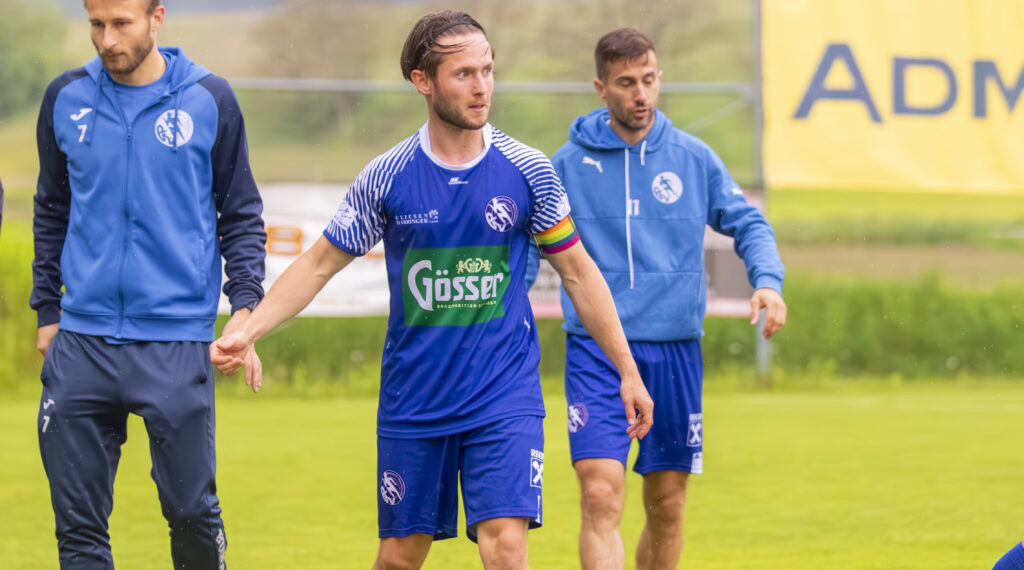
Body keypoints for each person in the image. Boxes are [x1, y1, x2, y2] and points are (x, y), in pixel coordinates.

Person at [211, 11, 653, 569]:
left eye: (488, 70)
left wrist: (627, 370)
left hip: (503, 392)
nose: (482, 86)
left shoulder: (528, 170)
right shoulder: (388, 175)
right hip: (415, 397)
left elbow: (580, 274)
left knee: (507, 547)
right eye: (464, 73)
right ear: (424, 80)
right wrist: (247, 328)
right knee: (400, 557)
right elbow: (320, 265)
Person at [527, 28, 787, 569]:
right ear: (601, 88)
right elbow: (531, 252)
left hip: (673, 353)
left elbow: (749, 224)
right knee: (600, 492)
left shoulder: (694, 158)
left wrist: (768, 281)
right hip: (597, 352)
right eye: (626, 83)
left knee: (667, 504)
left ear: (660, 78)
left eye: (648, 80)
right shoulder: (565, 167)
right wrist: (499, 316)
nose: (640, 94)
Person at [31, 0, 266, 567]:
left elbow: (239, 213)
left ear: (157, 18)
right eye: (95, 25)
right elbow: (51, 208)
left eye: (121, 24)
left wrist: (245, 305)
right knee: (78, 529)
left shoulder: (210, 99)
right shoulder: (65, 98)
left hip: (174, 340)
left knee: (190, 512)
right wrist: (47, 311)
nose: (107, 39)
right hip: (82, 341)